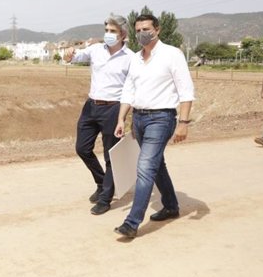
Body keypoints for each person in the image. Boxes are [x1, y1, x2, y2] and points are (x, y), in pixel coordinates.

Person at [112, 14, 195, 238]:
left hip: (162, 118)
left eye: (146, 29)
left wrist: (183, 123)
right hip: (138, 119)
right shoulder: (135, 59)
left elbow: (186, 90)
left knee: (146, 168)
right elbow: (129, 90)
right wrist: (122, 118)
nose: (142, 34)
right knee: (157, 165)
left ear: (157, 30)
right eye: (138, 30)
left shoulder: (172, 54)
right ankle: (170, 205)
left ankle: (132, 222)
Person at [63, 14, 134, 215]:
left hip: (113, 109)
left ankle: (106, 199)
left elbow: (131, 89)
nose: (109, 35)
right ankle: (102, 182)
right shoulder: (95, 50)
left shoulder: (130, 58)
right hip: (91, 106)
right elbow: (74, 57)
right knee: (82, 148)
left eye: (113, 31)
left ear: (123, 34)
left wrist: (124, 116)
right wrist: (68, 54)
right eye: (107, 31)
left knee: (111, 155)